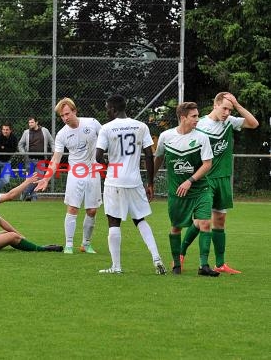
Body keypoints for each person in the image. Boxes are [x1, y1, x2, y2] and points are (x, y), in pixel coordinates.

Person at [180, 92, 259, 274]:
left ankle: (220, 264)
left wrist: (237, 106)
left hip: (223, 178)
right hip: (206, 179)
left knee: (220, 220)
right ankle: (181, 254)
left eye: (229, 109)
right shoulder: (200, 125)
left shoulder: (229, 121)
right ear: (215, 105)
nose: (226, 112)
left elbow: (254, 124)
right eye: (224, 108)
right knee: (201, 222)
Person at [95, 94, 166, 274]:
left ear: (112, 109)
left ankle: (116, 267)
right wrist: (150, 183)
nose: (106, 112)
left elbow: (98, 156)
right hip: (134, 180)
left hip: (115, 179)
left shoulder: (106, 128)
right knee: (140, 219)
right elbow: (150, 155)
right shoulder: (141, 126)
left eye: (107, 109)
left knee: (113, 221)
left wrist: (109, 166)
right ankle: (156, 258)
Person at [153, 102, 219, 276]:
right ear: (183, 117)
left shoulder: (201, 137)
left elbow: (207, 164)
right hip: (178, 193)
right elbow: (158, 158)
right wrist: (150, 181)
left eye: (197, 116)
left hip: (200, 189)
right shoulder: (166, 136)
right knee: (176, 227)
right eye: (194, 116)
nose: (197, 119)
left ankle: (203, 266)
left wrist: (190, 180)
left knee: (205, 223)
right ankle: (176, 264)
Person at [35, 98, 101, 255]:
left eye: (67, 114)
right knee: (72, 208)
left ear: (74, 111)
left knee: (92, 210)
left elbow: (106, 139)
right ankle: (69, 245)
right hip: (75, 173)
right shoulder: (61, 134)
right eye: (61, 116)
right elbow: (56, 159)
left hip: (93, 171)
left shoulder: (92, 123)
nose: (65, 118)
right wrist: (46, 177)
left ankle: (86, 244)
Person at [0, 173, 63, 252]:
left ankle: (35, 246)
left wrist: (19, 235)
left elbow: (1, 221)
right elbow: (10, 195)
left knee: (11, 234)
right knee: (12, 236)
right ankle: (41, 249)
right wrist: (27, 182)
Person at [18, 117, 54, 201]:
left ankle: (24, 192)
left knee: (40, 178)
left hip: (41, 160)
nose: (30, 124)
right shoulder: (26, 132)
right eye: (29, 123)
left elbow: (52, 142)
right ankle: (33, 198)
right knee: (30, 179)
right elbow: (20, 144)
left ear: (36, 122)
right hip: (29, 160)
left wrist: (54, 151)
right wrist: (24, 154)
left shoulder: (44, 131)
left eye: (32, 122)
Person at [0, 122, 18, 192]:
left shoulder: (14, 138)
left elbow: (14, 150)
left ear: (10, 130)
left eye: (7, 129)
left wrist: (3, 147)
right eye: (4, 129)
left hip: (7, 161)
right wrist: (7, 149)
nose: (5, 131)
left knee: (6, 180)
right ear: (2, 130)